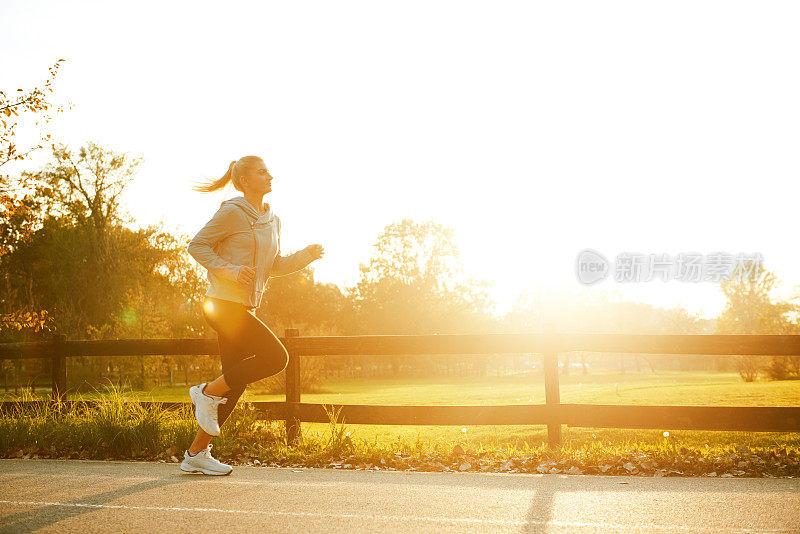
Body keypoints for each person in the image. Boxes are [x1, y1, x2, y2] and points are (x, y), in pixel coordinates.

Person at [180, 155, 324, 475]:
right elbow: (197, 246)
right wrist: (230, 270)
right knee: (277, 357)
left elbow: (273, 267)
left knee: (236, 382)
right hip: (221, 304)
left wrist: (305, 257)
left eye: (268, 171)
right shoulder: (232, 211)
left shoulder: (273, 220)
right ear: (245, 181)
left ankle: (195, 454)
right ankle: (206, 392)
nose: (270, 175)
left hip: (243, 307)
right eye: (262, 172)